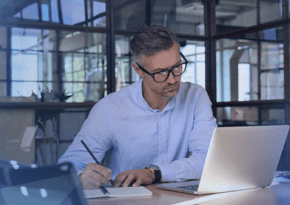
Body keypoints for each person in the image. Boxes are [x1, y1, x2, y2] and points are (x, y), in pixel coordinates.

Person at [58, 25, 217, 190]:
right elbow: (67, 167)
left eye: (177, 67)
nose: (172, 80)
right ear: (138, 70)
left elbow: (209, 159)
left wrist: (153, 173)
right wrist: (80, 177)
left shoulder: (195, 96)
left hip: (180, 199)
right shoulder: (109, 109)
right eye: (161, 72)